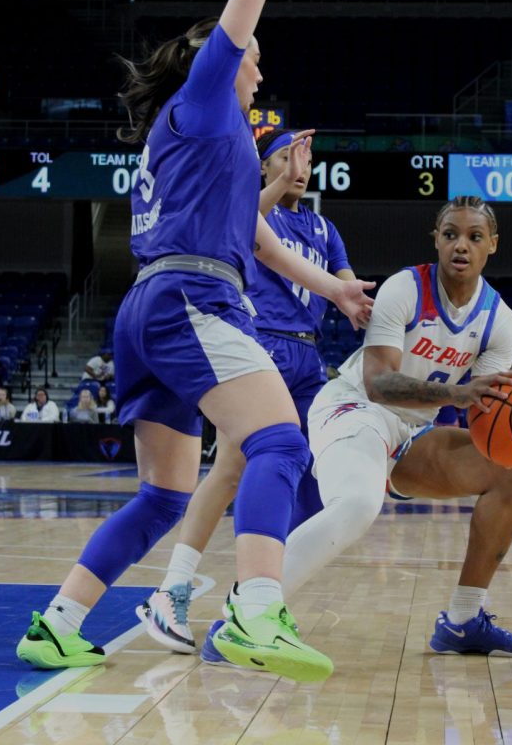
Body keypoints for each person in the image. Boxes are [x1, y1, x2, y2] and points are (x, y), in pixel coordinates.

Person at [15, 0, 374, 684]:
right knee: (279, 444)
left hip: (152, 305)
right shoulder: (207, 98)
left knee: (163, 495)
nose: (259, 70)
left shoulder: (214, 144)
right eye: (253, 58)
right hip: (190, 300)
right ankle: (257, 610)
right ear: (218, 56)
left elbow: (260, 243)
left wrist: (334, 290)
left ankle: (58, 623)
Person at [194, 197, 512, 667]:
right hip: (353, 408)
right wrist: (458, 396)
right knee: (356, 504)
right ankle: (244, 617)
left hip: (411, 436)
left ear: (492, 245)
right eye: (451, 234)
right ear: (436, 239)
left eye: (474, 237)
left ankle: (462, 620)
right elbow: (378, 385)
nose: (461, 245)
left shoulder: (501, 322)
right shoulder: (405, 288)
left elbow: (486, 416)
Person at [138, 123, 355, 654]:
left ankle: (255, 604)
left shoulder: (326, 230)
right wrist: (281, 182)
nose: (298, 168)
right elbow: (243, 219)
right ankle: (173, 588)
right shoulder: (256, 207)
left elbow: (346, 285)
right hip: (262, 344)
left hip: (310, 355)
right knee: (233, 466)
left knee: (309, 488)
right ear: (264, 165)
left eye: (305, 159)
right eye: (286, 157)